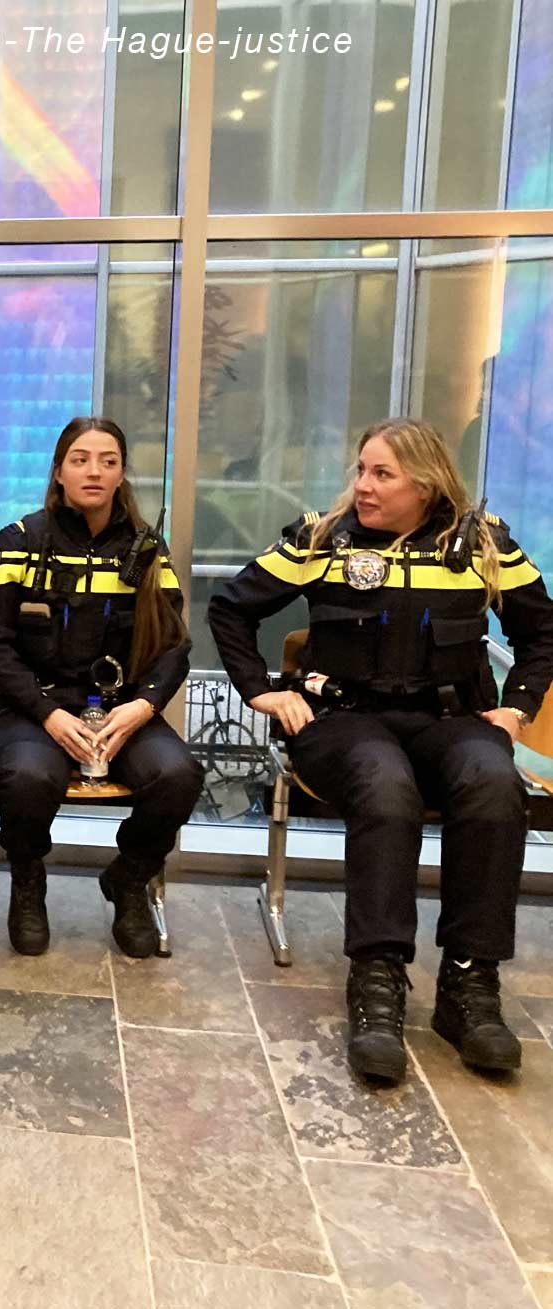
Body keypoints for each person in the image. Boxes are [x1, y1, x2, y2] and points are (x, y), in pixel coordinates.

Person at [209, 417, 553, 1083]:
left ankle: (469, 983)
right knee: (384, 781)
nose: (363, 485)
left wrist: (517, 707)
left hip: (449, 718)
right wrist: (261, 691)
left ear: (425, 484)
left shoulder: (481, 544)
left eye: (381, 474)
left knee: (493, 781)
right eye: (362, 470)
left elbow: (543, 630)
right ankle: (377, 980)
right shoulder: (321, 538)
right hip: (344, 719)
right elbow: (230, 608)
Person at [0, 417, 201, 959]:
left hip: (119, 709)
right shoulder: (19, 541)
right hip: (32, 708)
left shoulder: (146, 549)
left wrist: (144, 706)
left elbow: (175, 645)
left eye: (108, 461)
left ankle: (129, 876)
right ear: (59, 472)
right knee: (30, 777)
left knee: (177, 775)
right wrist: (48, 713)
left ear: (122, 474)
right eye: (80, 460)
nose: (94, 471)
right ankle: (28, 879)